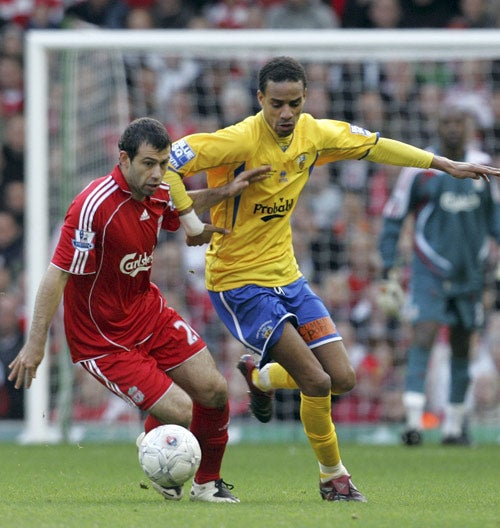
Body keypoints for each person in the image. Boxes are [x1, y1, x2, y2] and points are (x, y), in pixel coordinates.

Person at [163, 56, 500, 503]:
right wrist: (191, 224)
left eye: (295, 103)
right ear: (260, 99)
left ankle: (261, 378)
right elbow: (167, 165)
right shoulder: (238, 139)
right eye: (277, 104)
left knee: (342, 378)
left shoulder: (314, 133)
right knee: (317, 383)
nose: (286, 114)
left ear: (306, 99)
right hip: (239, 283)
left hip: (288, 277)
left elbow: (378, 145)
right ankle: (333, 477)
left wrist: (443, 164)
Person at [8, 117, 268, 503]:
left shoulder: (158, 190)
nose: (158, 173)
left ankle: (207, 484)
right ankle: (156, 449)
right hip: (103, 338)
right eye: (149, 163)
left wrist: (227, 191)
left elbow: (180, 207)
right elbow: (56, 275)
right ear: (124, 159)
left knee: (214, 391)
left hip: (147, 311)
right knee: (181, 413)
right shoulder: (92, 206)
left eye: (164, 164)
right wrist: (35, 343)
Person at [377, 104, 500, 446]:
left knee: (464, 343)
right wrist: (388, 268)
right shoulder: (420, 168)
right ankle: (414, 422)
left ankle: (454, 426)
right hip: (429, 270)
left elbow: (495, 217)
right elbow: (394, 217)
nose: (452, 128)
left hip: (471, 274)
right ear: (437, 125)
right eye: (446, 121)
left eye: (458, 121)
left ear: (469, 125)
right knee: (424, 335)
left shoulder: (482, 165)